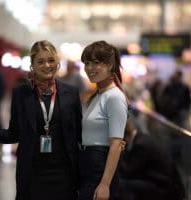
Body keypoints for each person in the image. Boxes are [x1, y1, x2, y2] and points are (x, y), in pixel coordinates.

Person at [0, 40, 82, 200]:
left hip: (64, 174)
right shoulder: (21, 94)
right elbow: (13, 133)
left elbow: (79, 134)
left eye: (51, 60)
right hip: (32, 173)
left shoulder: (70, 93)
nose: (47, 65)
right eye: (41, 61)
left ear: (57, 63)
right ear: (33, 65)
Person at [78, 41, 128, 200]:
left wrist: (105, 184)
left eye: (96, 63)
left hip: (100, 168)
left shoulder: (114, 97)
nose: (89, 68)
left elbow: (116, 144)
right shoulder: (98, 95)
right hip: (88, 164)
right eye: (87, 63)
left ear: (110, 65)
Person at [114, 119, 185, 200]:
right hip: (158, 182)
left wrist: (117, 151)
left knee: (122, 185)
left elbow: (127, 172)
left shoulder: (141, 145)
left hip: (162, 188)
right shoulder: (141, 139)